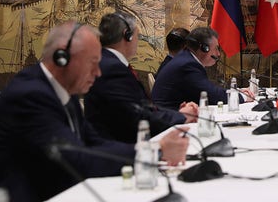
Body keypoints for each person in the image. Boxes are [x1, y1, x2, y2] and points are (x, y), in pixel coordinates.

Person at [0, 21, 189, 201]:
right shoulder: (30, 95)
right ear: (62, 58)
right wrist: (153, 151)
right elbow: (76, 159)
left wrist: (151, 151)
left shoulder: (65, 89)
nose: (98, 72)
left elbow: (94, 141)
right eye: (92, 62)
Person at [84, 12, 197, 144]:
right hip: (120, 150)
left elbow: (139, 106)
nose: (138, 40)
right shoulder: (112, 68)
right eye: (138, 35)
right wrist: (181, 116)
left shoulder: (110, 62)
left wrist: (178, 112)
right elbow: (136, 116)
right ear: (128, 35)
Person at [152, 27, 254, 111]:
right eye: (216, 48)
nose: (218, 54)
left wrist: (237, 91)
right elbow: (211, 95)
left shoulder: (187, 59)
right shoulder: (188, 64)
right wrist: (243, 97)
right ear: (204, 48)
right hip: (171, 122)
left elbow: (209, 90)